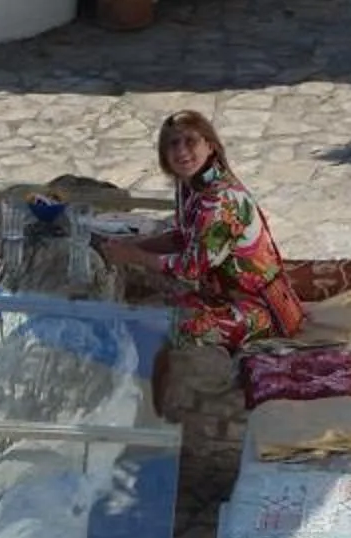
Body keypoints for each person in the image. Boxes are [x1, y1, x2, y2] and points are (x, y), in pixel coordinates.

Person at [96, 111, 303, 357]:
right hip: (220, 296)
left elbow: (190, 268)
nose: (181, 151)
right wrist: (133, 244)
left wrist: (134, 255)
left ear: (210, 146)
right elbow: (183, 237)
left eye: (190, 141)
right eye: (173, 143)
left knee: (160, 324)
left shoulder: (221, 201)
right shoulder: (190, 184)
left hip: (260, 311)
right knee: (143, 302)